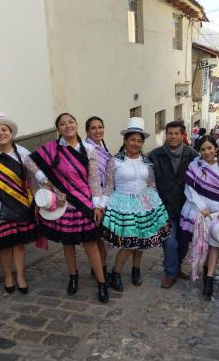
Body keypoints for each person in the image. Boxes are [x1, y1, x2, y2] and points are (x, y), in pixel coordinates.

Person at [26, 113, 109, 303]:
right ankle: (73, 276)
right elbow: (29, 161)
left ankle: (102, 283)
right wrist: (45, 181)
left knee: (91, 244)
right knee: (68, 244)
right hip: (64, 203)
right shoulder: (52, 149)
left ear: (77, 125)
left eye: (71, 122)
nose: (67, 126)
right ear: (58, 128)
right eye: (63, 124)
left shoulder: (89, 149)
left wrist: (97, 205)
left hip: (84, 202)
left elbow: (94, 180)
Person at [101, 118, 170, 291]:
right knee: (128, 242)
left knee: (142, 241)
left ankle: (136, 270)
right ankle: (116, 273)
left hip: (143, 204)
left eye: (139, 140)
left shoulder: (147, 162)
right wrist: (102, 206)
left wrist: (154, 204)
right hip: (123, 205)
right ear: (125, 140)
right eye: (132, 139)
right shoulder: (115, 161)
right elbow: (108, 187)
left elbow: (151, 185)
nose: (136, 143)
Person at [0, 112, 39, 294]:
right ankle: (7, 275)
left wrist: (41, 195)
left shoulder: (23, 154)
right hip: (0, 206)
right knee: (4, 245)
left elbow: (35, 176)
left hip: (20, 204)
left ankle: (20, 275)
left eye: (4, 129)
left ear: (10, 132)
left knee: (19, 245)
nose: (0, 133)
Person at [148, 121, 198, 288]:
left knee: (184, 242)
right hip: (164, 207)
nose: (173, 136)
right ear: (166, 134)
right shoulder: (154, 155)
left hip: (186, 208)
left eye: (177, 133)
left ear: (183, 134)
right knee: (170, 242)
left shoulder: (193, 155)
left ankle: (176, 267)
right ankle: (170, 273)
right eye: (170, 133)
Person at [180, 136, 219, 297]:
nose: (207, 152)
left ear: (216, 148)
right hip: (198, 210)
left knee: (214, 244)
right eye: (203, 149)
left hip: (218, 211)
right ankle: (202, 267)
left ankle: (209, 278)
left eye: (209, 148)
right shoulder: (194, 165)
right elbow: (190, 189)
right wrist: (202, 207)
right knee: (200, 242)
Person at [84, 116, 112, 279]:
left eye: (100, 127)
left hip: (105, 197)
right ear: (87, 131)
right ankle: (100, 270)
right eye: (93, 128)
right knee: (98, 239)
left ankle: (99, 268)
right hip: (93, 198)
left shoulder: (102, 146)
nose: (97, 131)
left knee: (102, 238)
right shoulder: (87, 148)